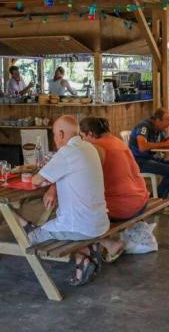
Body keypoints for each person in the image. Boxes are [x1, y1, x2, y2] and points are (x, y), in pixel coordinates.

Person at [29, 115, 109, 286]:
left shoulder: (66, 152)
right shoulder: (89, 147)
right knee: (53, 224)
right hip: (100, 221)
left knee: (30, 237)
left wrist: (45, 179)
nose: (54, 139)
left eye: (54, 134)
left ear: (61, 133)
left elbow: (35, 180)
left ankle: (84, 257)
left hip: (80, 226)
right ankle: (87, 250)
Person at [80, 116, 149, 263]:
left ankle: (106, 244)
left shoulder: (96, 148)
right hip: (142, 200)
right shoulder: (117, 141)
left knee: (79, 213)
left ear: (90, 134)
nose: (82, 140)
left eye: (82, 136)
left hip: (124, 208)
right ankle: (104, 243)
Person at [129, 108, 169, 199]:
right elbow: (142, 146)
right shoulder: (144, 126)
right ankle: (158, 198)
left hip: (150, 159)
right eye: (167, 120)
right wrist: (167, 143)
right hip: (138, 161)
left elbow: (162, 143)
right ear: (157, 120)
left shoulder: (159, 129)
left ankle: (159, 196)